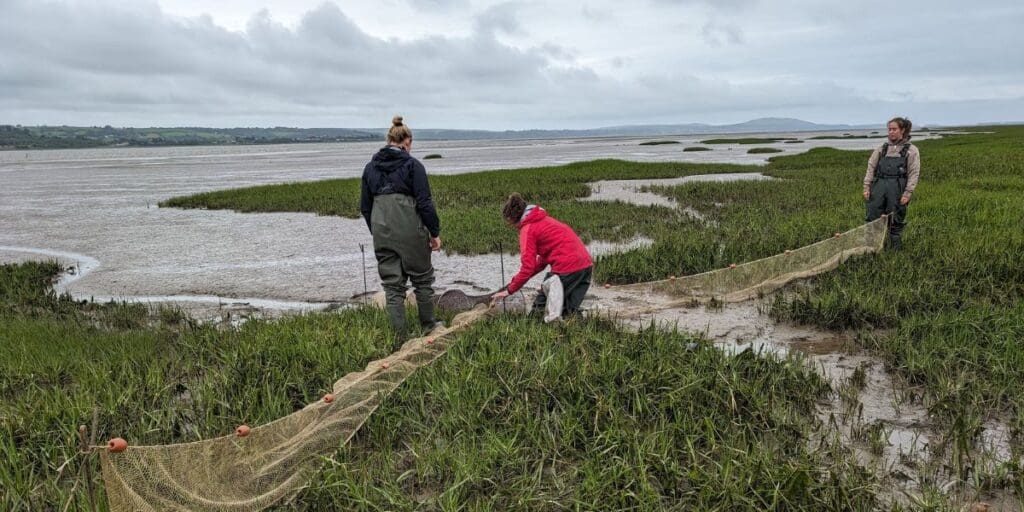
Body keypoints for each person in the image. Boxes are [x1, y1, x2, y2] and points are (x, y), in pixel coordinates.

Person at [360, 116, 443, 343]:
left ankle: (399, 337)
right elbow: (425, 203)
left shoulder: (370, 168)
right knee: (423, 279)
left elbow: (365, 208)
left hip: (381, 230)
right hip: (410, 230)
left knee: (393, 286)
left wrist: (377, 232)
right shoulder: (413, 166)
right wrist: (434, 233)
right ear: (407, 141)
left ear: (389, 140)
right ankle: (428, 325)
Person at [490, 193, 593, 319]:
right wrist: (515, 283)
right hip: (586, 266)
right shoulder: (543, 219)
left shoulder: (527, 229)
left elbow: (527, 267)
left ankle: (532, 333)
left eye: (509, 223)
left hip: (566, 268)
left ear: (512, 219)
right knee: (569, 311)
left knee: (539, 311)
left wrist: (509, 290)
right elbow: (542, 260)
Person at [863, 116, 921, 250]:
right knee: (872, 217)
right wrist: (866, 187)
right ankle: (871, 249)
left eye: (894, 129)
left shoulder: (911, 151)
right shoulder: (881, 149)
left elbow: (914, 173)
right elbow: (871, 167)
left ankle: (895, 251)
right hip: (878, 186)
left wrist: (908, 193)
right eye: (889, 129)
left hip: (897, 187)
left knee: (896, 220)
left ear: (903, 130)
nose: (891, 132)